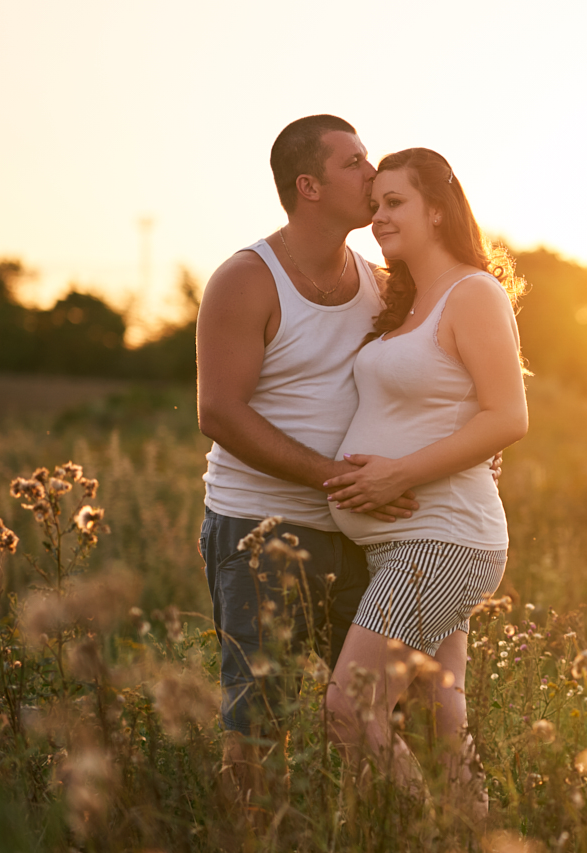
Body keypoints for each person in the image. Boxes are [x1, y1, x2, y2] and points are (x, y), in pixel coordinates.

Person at [195, 114, 422, 816]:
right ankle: (250, 836)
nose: (373, 171)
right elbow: (221, 413)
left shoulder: (382, 283)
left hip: (357, 530)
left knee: (373, 708)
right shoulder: (245, 279)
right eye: (354, 161)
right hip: (257, 532)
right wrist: (339, 478)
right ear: (309, 186)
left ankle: (370, 832)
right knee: (255, 719)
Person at [319, 148, 528, 823]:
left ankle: (414, 839)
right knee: (442, 729)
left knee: (351, 709)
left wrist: (397, 474)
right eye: (374, 205)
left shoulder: (474, 292)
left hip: (441, 541)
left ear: (438, 208)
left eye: (395, 202)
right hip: (401, 544)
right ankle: (475, 836)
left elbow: (508, 415)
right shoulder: (404, 303)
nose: (378, 216)